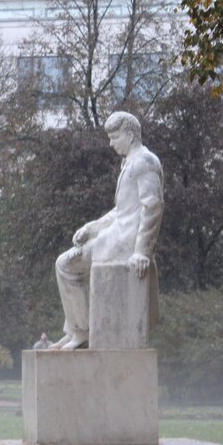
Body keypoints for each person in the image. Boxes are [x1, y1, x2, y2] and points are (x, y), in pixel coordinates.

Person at [54, 111, 163, 350]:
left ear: (131, 135)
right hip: (116, 234)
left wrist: (142, 252)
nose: (111, 143)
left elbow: (152, 207)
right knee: (66, 264)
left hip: (125, 242)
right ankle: (78, 329)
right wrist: (91, 228)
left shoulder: (145, 161)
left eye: (115, 137)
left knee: (66, 265)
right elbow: (120, 210)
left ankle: (81, 331)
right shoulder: (131, 162)